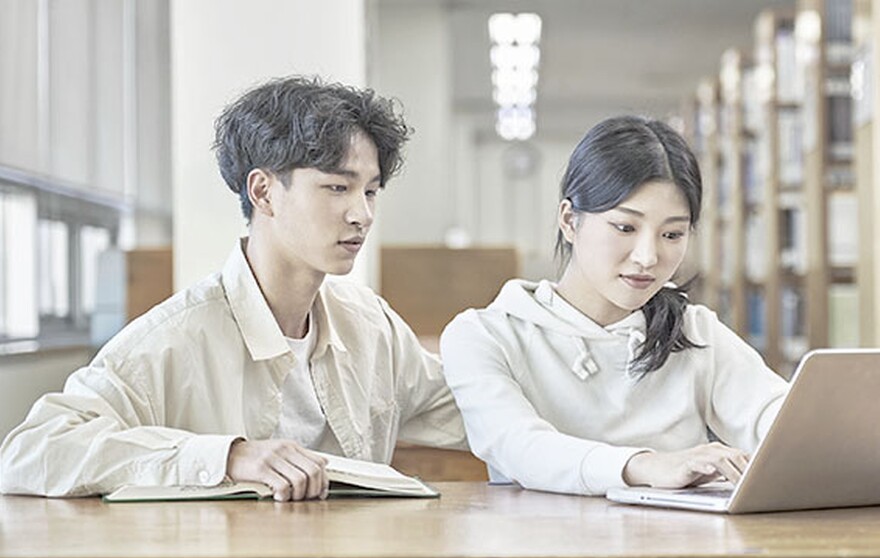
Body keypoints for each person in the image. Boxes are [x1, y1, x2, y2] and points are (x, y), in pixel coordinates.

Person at [0, 76, 466, 501]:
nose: (361, 214)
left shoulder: (371, 326)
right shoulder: (175, 338)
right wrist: (228, 457)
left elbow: (475, 409)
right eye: (337, 188)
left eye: (370, 191)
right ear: (263, 192)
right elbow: (32, 451)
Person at [439, 115, 789, 497]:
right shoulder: (484, 335)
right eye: (625, 227)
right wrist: (645, 465)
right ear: (570, 221)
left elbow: (779, 419)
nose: (647, 256)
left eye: (672, 234)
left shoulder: (693, 331)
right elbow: (520, 447)